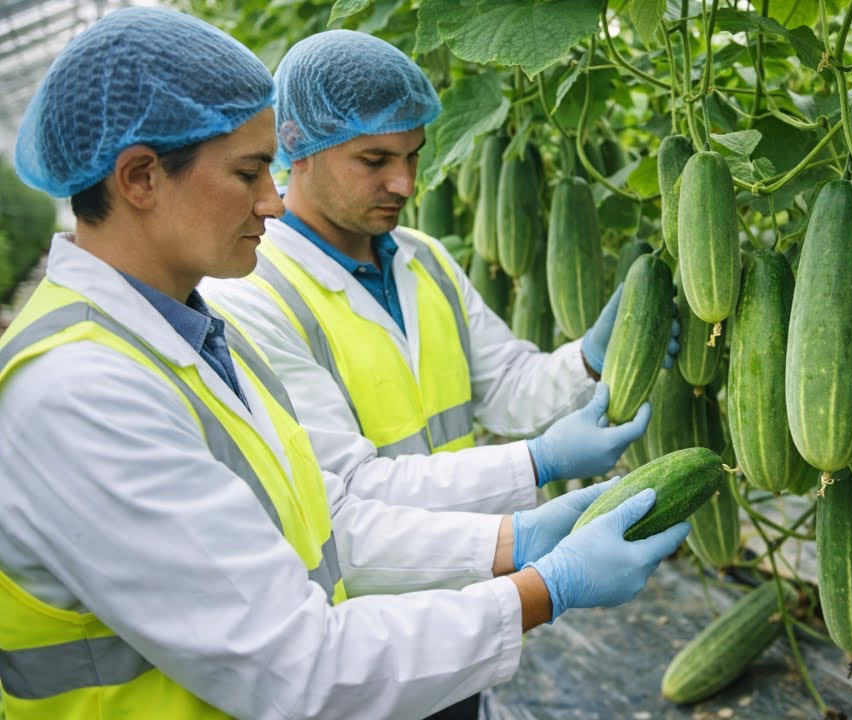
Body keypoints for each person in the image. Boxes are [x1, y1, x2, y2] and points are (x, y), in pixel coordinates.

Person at [0, 8, 689, 719]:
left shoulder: (186, 336)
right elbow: (297, 666)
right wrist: (547, 585)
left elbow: (326, 520)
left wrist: (520, 537)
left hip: (402, 648)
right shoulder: (81, 392)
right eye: (248, 171)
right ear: (140, 178)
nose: (271, 197)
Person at [200, 29, 681, 523]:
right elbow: (349, 488)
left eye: (413, 154)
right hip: (364, 596)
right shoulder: (249, 297)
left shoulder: (424, 257)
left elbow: (505, 387)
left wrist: (590, 360)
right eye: (375, 160)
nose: (405, 183)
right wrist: (536, 462)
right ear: (297, 147)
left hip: (476, 579)